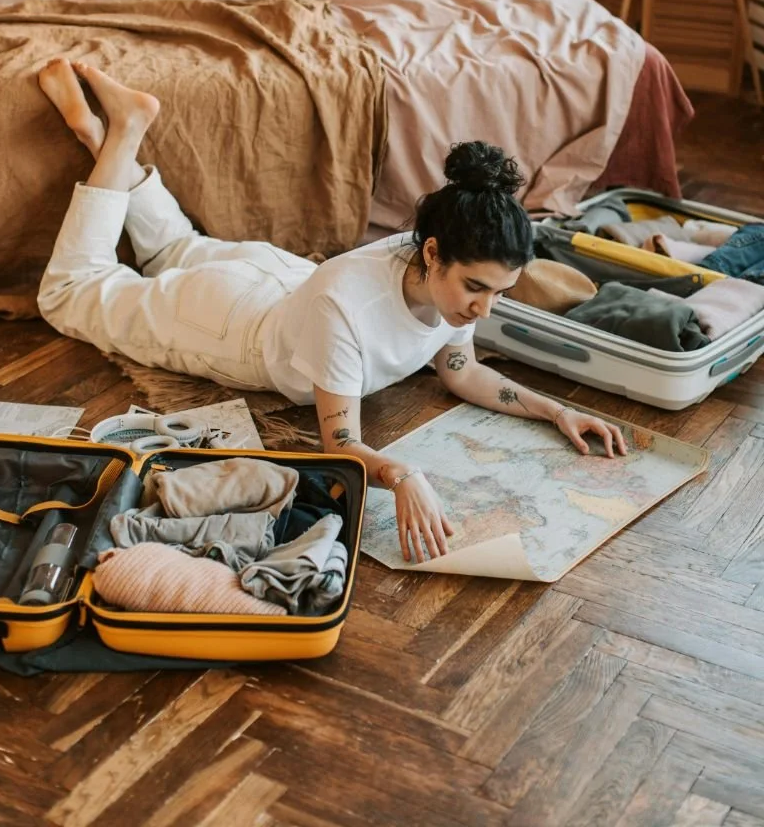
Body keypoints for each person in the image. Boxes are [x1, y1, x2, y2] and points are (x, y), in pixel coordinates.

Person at [37, 58, 626, 565]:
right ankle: (124, 133)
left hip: (278, 278)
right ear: (432, 253)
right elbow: (339, 445)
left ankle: (105, 134)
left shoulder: (442, 273)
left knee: (173, 249)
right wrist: (402, 475)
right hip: (228, 325)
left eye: (499, 292)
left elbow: (461, 371)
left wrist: (556, 412)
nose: (485, 308)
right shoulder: (348, 309)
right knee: (68, 293)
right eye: (477, 288)